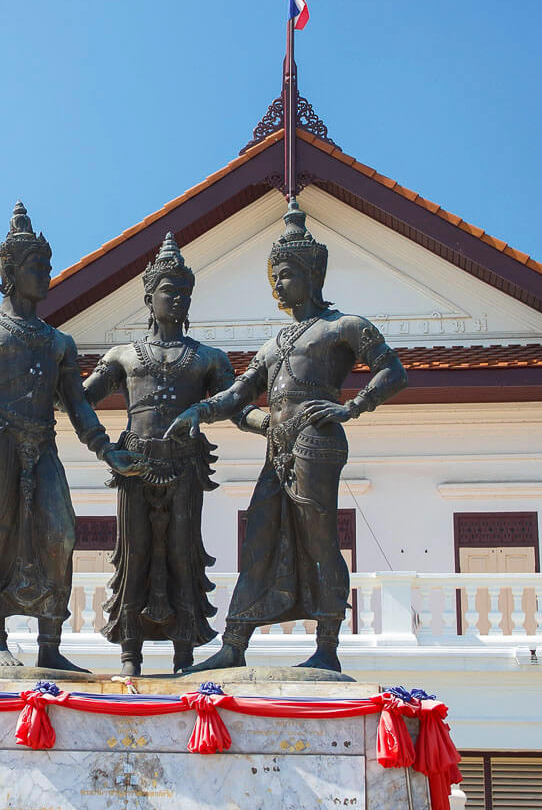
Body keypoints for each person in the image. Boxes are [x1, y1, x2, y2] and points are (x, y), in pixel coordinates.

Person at [166, 196, 408, 673]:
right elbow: (239, 394)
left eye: (288, 273)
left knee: (319, 538)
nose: (279, 282)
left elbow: (392, 372)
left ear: (312, 275)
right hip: (278, 449)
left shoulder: (343, 327)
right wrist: (200, 409)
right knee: (258, 537)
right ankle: (234, 644)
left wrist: (351, 407)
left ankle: (328, 646)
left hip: (317, 442)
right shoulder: (273, 344)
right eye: (274, 274)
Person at [0, 202, 143, 672]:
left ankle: (49, 643)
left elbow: (77, 404)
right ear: (11, 271)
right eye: (38, 267)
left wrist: (106, 449)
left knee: (59, 533)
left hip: (44, 441)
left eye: (48, 266)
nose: (47, 275)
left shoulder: (59, 343)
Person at [83, 233, 235, 675]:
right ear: (150, 297)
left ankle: (184, 654)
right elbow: (80, 399)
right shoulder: (123, 355)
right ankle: (130, 652)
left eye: (185, 293)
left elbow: (234, 401)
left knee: (183, 553)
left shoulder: (207, 357)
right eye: (170, 291)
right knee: (135, 553)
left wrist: (212, 408)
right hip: (134, 462)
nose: (179, 299)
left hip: (185, 463)